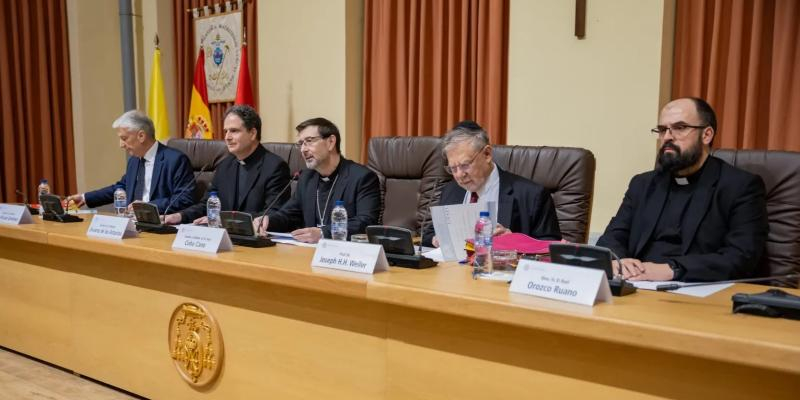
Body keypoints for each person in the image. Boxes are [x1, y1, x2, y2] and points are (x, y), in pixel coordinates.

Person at [596, 97, 768, 282]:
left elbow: (741, 257)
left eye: (680, 128)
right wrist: (618, 261)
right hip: (636, 286)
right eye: (662, 130)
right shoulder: (643, 184)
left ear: (706, 135)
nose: (667, 137)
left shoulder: (740, 186)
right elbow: (612, 237)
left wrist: (671, 270)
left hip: (697, 290)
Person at [422, 120, 562, 246]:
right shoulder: (451, 190)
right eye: (453, 168)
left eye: (465, 165)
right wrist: (437, 239)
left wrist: (514, 241)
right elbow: (428, 234)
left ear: (487, 154)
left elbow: (550, 246)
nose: (459, 175)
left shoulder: (533, 195)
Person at [253, 117, 381, 243]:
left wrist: (322, 233)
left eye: (309, 141)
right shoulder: (306, 178)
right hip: (308, 254)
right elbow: (290, 215)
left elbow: (366, 221)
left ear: (331, 142)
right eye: (301, 144)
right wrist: (268, 221)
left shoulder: (362, 177)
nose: (303, 149)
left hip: (345, 256)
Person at [163, 105, 290, 224]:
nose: (227, 137)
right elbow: (207, 204)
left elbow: (274, 213)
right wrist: (180, 216)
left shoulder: (275, 167)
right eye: (226, 131)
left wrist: (225, 221)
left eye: (234, 131)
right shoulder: (225, 165)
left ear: (252, 133)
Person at [67, 110, 195, 214]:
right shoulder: (134, 160)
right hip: (132, 222)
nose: (121, 145)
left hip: (160, 224)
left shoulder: (175, 160)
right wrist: (84, 198)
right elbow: (120, 188)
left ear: (141, 136)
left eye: (124, 138)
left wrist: (146, 207)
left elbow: (185, 199)